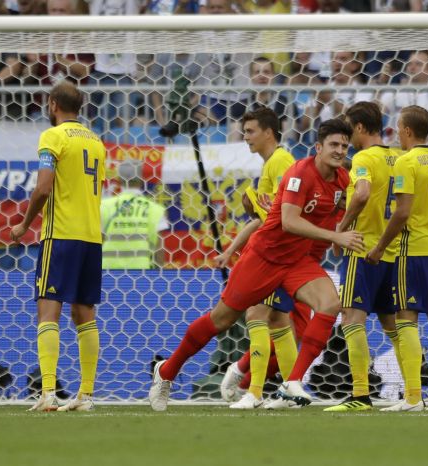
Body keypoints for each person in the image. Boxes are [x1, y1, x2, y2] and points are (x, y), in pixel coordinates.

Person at [149, 118, 364, 412]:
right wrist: (335, 235)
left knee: (328, 305)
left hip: (297, 261)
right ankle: (168, 371)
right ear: (318, 147)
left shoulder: (341, 179)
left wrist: (348, 220)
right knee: (221, 320)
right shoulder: (298, 172)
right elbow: (288, 221)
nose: (340, 151)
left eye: (344, 145)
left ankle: (291, 382)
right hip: (264, 258)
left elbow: (341, 204)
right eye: (333, 145)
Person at [10, 81, 106, 412]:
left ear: (52, 105)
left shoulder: (52, 137)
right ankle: (86, 396)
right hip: (92, 237)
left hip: (61, 235)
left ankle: (48, 393)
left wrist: (24, 224)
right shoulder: (96, 142)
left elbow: (43, 188)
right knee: (85, 314)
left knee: (48, 310)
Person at [366, 105, 428, 412]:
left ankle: (412, 397)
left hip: (413, 252)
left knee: (406, 319)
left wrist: (381, 246)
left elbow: (402, 211)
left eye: (398, 128)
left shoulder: (406, 163)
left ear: (407, 131)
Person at [212, 107, 302, 408]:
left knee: (256, 315)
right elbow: (262, 218)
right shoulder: (271, 165)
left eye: (250, 131)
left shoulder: (282, 162)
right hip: (276, 251)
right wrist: (230, 251)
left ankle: (255, 393)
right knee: (278, 320)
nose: (245, 137)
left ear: (268, 132)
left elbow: (286, 215)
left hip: (275, 253)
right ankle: (291, 391)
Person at [323, 101, 405, 413]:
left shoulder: (363, 158)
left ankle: (360, 394)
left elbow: (361, 193)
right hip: (391, 250)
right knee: (393, 323)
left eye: (349, 130)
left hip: (361, 246)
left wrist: (341, 229)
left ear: (359, 128)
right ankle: (413, 392)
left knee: (352, 318)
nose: (347, 139)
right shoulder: (399, 157)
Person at [100, 159, 169, 269]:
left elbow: (97, 243)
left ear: (118, 179)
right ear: (141, 180)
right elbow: (159, 249)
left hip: (108, 273)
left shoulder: (104, 206)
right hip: (141, 273)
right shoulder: (155, 209)